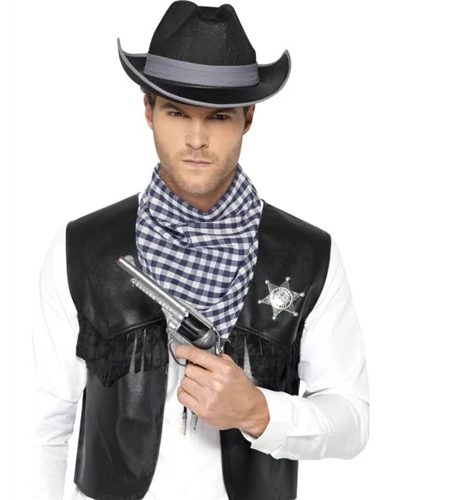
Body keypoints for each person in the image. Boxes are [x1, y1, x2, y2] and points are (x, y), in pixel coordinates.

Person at [31, 2, 370, 499]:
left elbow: (353, 420)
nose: (196, 139)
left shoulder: (308, 255)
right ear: (147, 110)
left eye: (218, 116)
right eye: (176, 112)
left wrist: (259, 412)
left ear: (248, 118)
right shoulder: (81, 248)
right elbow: (42, 425)